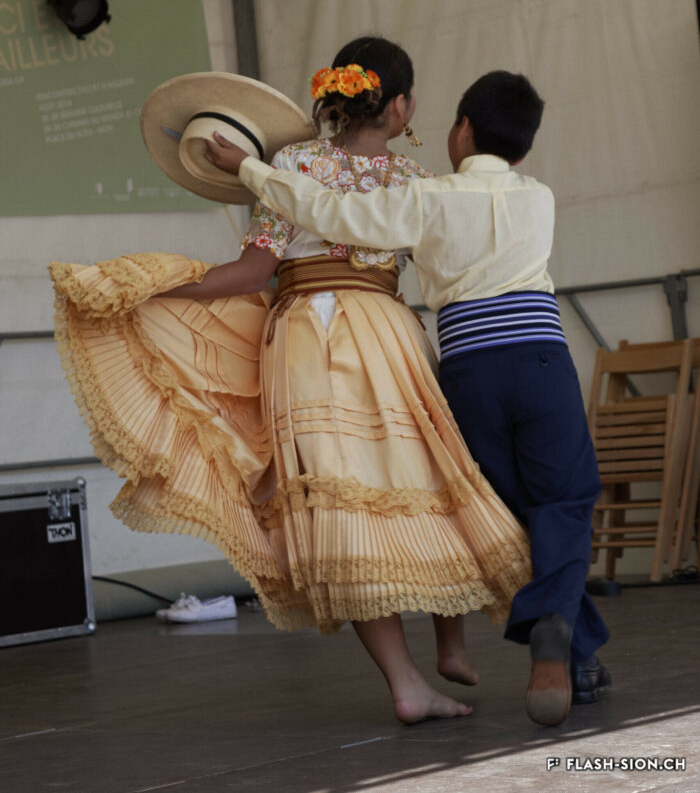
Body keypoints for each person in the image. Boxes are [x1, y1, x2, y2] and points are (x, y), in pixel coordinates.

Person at [51, 39, 532, 726]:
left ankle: (405, 681)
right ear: (400, 105)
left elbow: (250, 275)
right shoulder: (416, 177)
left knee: (346, 509)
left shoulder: (293, 164)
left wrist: (159, 291)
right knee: (432, 479)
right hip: (390, 334)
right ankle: (448, 640)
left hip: (307, 338)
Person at [205, 68, 611, 727]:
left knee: (497, 517)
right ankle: (560, 641)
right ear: (524, 149)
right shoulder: (539, 196)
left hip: (471, 369)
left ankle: (573, 649)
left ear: (462, 130)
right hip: (540, 359)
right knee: (562, 503)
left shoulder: (429, 198)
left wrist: (252, 168)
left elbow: (332, 213)